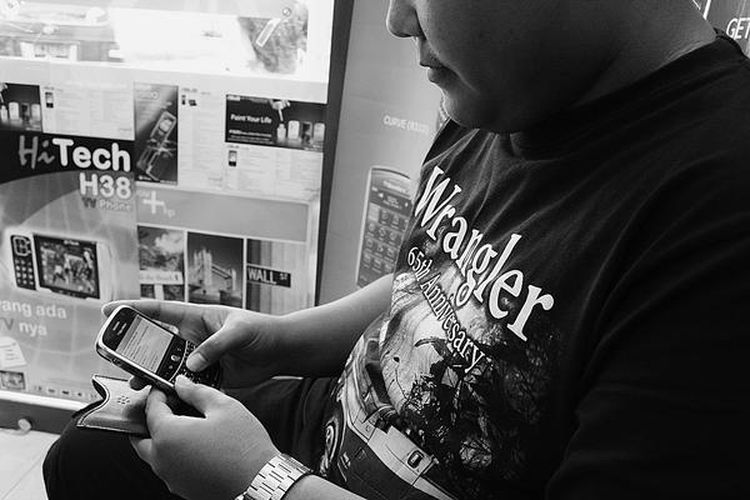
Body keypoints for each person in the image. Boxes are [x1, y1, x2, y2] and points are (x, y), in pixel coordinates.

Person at [44, 0, 750, 499]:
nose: (396, 20)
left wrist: (262, 484)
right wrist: (280, 340)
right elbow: (437, 281)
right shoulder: (511, 85)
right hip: (330, 427)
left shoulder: (717, 214)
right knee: (86, 455)